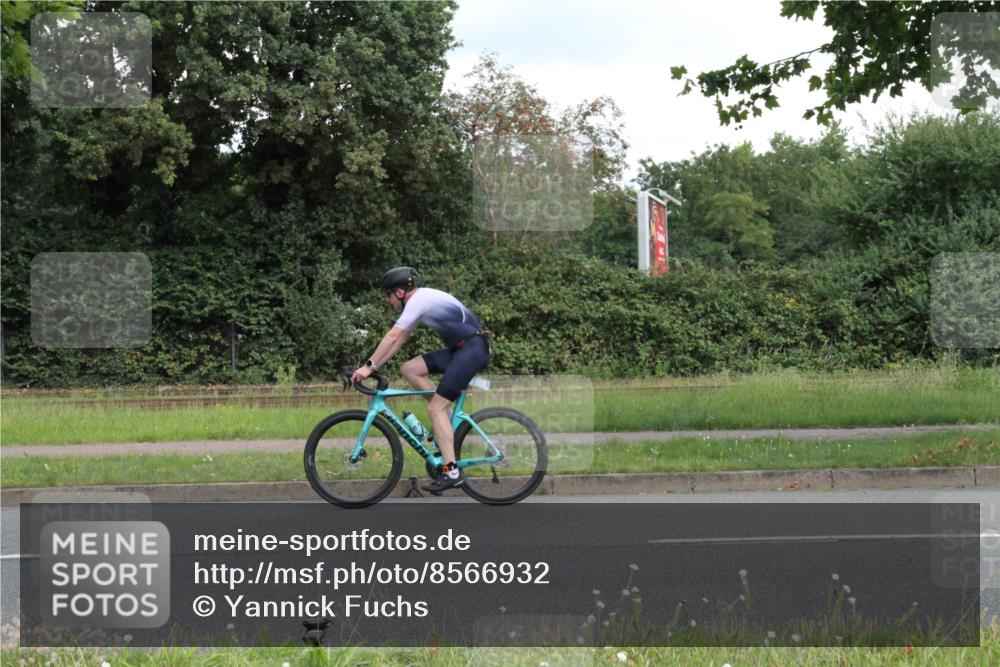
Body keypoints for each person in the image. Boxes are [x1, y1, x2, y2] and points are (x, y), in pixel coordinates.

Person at [351, 266, 491, 494]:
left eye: (388, 295)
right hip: (463, 349)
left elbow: (393, 335)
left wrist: (366, 367)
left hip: (472, 350)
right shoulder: (420, 302)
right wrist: (373, 366)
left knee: (435, 408)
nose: (388, 301)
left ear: (399, 292)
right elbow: (398, 342)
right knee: (410, 369)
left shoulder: (419, 300)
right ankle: (443, 419)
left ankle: (452, 472)